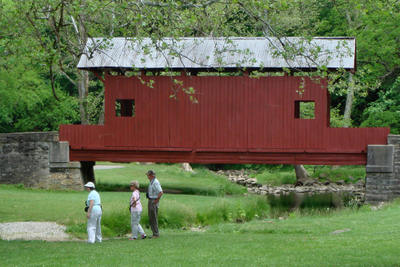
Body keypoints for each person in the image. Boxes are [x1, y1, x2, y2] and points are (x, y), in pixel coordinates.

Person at [146, 170, 163, 238]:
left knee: (153, 217)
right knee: (151, 217)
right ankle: (154, 233)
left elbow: (160, 192)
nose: (147, 176)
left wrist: (156, 200)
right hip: (151, 199)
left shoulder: (155, 182)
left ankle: (156, 234)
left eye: (148, 175)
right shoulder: (151, 182)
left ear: (152, 175)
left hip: (153, 200)